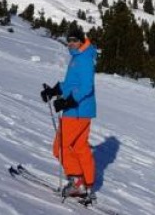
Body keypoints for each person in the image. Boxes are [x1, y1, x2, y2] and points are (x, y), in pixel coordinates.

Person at [41, 27, 97, 200]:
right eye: (69, 41)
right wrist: (54, 90)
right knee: (80, 148)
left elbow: (86, 87)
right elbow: (72, 83)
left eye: (74, 40)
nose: (71, 44)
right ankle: (87, 184)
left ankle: (77, 182)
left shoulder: (84, 59)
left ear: (81, 40)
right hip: (82, 111)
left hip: (76, 111)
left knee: (60, 147)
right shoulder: (79, 57)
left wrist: (68, 101)